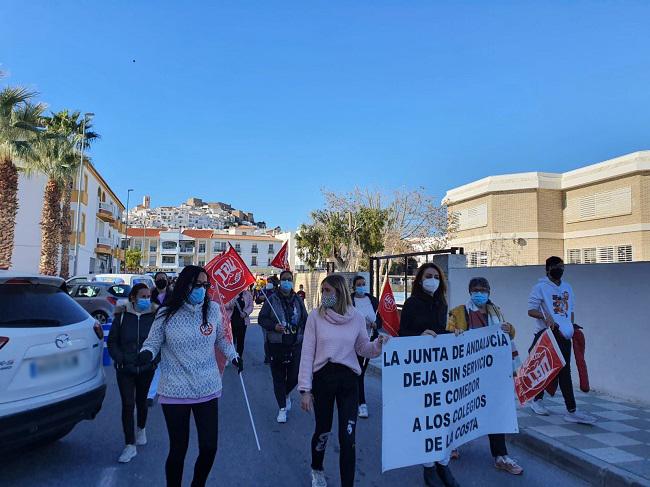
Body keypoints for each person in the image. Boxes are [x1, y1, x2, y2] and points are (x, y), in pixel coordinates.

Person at [137, 266, 243, 487]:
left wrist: (234, 356)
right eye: (198, 285)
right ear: (185, 285)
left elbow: (222, 339)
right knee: (178, 449)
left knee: (209, 447)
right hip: (175, 390)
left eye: (206, 286)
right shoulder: (166, 313)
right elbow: (153, 342)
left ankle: (198, 483)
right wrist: (145, 354)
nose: (203, 290)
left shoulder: (212, 310)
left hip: (207, 387)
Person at [299, 274, 389, 487]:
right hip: (323, 381)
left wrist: (377, 344)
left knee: (348, 439)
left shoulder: (356, 317)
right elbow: (307, 353)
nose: (323, 295)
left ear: (339, 292)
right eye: (322, 291)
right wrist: (305, 389)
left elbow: (362, 348)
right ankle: (317, 469)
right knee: (322, 430)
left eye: (327, 291)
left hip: (349, 382)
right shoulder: (315, 317)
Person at [447, 277, 524, 475]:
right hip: (468, 371)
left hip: (492, 373)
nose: (479, 293)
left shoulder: (495, 311)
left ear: (489, 291)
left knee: (495, 412)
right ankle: (451, 444)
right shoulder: (458, 312)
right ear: (469, 291)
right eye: (475, 289)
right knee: (462, 407)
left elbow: (508, 334)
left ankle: (500, 456)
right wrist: (454, 333)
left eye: (483, 289)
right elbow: (447, 334)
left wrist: (510, 329)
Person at [399, 262, 460, 487]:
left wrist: (455, 335)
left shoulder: (442, 303)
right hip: (421, 371)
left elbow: (441, 332)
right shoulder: (411, 303)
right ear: (420, 279)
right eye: (428, 275)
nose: (432, 279)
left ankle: (443, 464)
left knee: (444, 418)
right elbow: (402, 334)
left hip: (441, 370)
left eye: (436, 276)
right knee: (427, 420)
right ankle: (428, 467)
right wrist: (419, 335)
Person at [527, 256, 596, 424]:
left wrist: (570, 327)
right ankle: (536, 399)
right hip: (547, 333)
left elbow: (570, 310)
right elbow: (531, 310)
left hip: (564, 334)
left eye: (562, 266)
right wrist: (546, 317)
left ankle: (571, 410)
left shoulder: (567, 287)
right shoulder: (540, 287)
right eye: (557, 266)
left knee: (565, 370)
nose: (560, 269)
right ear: (548, 269)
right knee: (545, 368)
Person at [107, 283, 159, 463]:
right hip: (125, 369)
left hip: (146, 368)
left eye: (148, 296)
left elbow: (159, 340)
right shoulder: (121, 316)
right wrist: (119, 359)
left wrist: (153, 360)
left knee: (142, 401)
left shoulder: (154, 316)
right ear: (133, 297)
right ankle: (130, 445)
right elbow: (112, 341)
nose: (145, 299)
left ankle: (141, 428)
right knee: (128, 405)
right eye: (142, 296)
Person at [259, 270, 308, 423]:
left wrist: (303, 333)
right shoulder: (272, 299)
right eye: (284, 279)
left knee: (294, 376)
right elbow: (262, 318)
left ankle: (285, 394)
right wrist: (274, 326)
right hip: (277, 345)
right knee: (278, 377)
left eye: (289, 279)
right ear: (280, 282)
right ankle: (282, 408)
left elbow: (305, 319)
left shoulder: (298, 300)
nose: (287, 282)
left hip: (295, 344)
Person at [350, 275, 382, 419]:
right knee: (358, 372)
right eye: (359, 284)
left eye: (363, 284)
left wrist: (376, 325)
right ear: (354, 286)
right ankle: (361, 403)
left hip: (369, 341)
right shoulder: (349, 300)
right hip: (353, 341)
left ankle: (358, 401)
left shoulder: (373, 300)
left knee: (360, 371)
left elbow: (380, 319)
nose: (361, 286)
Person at [148, 272, 171, 406]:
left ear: (167, 281)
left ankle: (165, 389)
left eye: (163, 278)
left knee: (167, 363)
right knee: (155, 364)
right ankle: (150, 395)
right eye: (159, 279)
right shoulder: (150, 296)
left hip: (169, 332)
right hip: (154, 332)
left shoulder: (173, 295)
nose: (161, 280)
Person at [225, 288, 254, 358]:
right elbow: (225, 305)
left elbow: (251, 306)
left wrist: (246, 313)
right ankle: (230, 356)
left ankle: (239, 357)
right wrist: (232, 304)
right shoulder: (230, 292)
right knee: (230, 340)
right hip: (231, 320)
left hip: (242, 321)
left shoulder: (248, 294)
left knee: (241, 340)